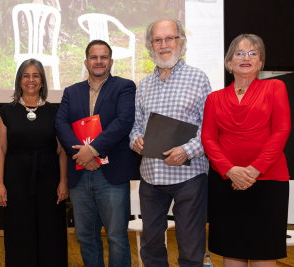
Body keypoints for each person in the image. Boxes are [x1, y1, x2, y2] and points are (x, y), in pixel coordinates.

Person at [202, 34, 291, 267]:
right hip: (226, 183)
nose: (246, 57)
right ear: (229, 62)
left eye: (253, 53)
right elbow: (208, 138)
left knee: (264, 253)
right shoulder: (214, 98)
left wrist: (253, 170)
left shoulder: (275, 87)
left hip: (268, 181)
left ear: (260, 63)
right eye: (239, 53)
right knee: (232, 251)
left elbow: (281, 131)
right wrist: (230, 170)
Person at [130, 19, 211, 267]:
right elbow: (135, 125)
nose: (164, 45)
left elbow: (210, 128)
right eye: (158, 40)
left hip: (189, 178)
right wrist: (136, 140)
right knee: (151, 248)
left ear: (181, 42)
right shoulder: (143, 85)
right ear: (150, 45)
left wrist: (187, 151)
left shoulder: (198, 79)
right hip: (151, 179)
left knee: (190, 247)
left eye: (170, 38)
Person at [55, 40, 136, 267]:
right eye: (94, 57)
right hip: (79, 175)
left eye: (103, 57)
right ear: (86, 62)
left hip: (112, 174)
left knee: (117, 237)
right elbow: (61, 124)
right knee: (85, 237)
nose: (98, 61)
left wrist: (92, 151)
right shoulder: (71, 92)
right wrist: (81, 156)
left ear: (111, 61)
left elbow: (123, 122)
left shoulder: (125, 86)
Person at [0, 58, 68, 267]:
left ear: (42, 81)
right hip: (16, 181)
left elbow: (62, 150)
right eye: (26, 75)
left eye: (36, 75)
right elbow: (0, 148)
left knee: (50, 231)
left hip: (49, 179)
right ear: (19, 81)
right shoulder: (7, 112)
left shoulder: (55, 111)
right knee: (20, 230)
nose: (31, 80)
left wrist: (63, 182)